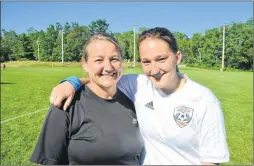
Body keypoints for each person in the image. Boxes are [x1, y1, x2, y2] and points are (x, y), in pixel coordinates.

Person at [50, 27, 230, 165]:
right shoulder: (138, 84)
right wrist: (71, 82)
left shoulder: (204, 100)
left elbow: (211, 159)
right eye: (146, 62)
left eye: (161, 59)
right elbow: (103, 77)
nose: (154, 70)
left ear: (178, 57)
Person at [30, 32, 144, 165]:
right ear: (84, 64)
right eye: (99, 60)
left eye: (114, 59)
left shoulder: (134, 99)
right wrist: (72, 82)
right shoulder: (67, 103)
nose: (108, 67)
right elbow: (50, 160)